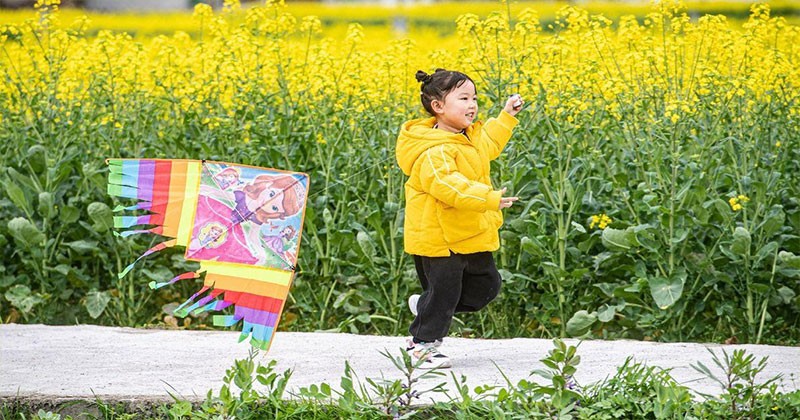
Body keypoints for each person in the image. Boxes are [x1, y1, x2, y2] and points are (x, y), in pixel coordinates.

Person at [395, 68, 523, 369]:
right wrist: (488, 198)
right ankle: (422, 346)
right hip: (439, 239)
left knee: (487, 287)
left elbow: (489, 144)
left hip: (468, 233)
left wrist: (506, 116)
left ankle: (426, 305)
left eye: (474, 98)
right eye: (463, 98)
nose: (472, 105)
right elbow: (448, 186)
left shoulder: (467, 137)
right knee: (445, 293)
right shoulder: (434, 151)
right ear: (438, 106)